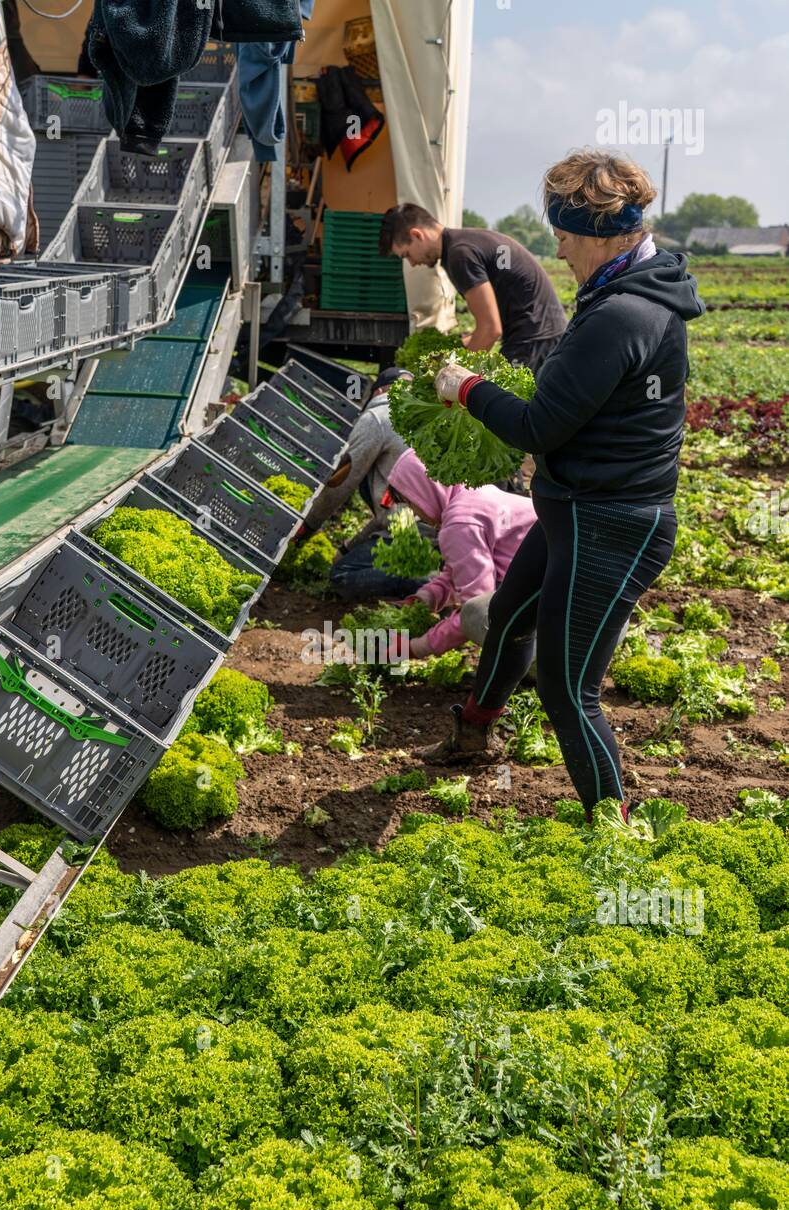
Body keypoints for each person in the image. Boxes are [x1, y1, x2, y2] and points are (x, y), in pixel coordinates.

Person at [420, 149, 705, 820]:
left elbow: (538, 426)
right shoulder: (624, 292)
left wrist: (465, 387)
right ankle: (470, 735)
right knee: (508, 622)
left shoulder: (620, 315)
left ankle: (614, 833)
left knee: (566, 688)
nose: (559, 249)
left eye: (566, 236)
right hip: (572, 510)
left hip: (609, 523)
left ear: (602, 234)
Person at [297, 366, 434, 601]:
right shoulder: (424, 418)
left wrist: (308, 524)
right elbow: (391, 511)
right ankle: (435, 571)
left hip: (413, 531)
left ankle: (425, 582)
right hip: (444, 528)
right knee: (348, 560)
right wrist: (348, 548)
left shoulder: (378, 417)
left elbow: (341, 482)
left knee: (342, 575)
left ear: (378, 390)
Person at [378, 203, 568, 373]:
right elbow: (486, 328)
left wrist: (457, 378)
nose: (411, 263)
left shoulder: (459, 255)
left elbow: (490, 329)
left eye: (406, 255)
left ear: (416, 235)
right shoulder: (460, 244)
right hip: (540, 334)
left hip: (534, 339)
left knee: (502, 407)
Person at [386, 449, 536, 660]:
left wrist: (416, 647)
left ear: (425, 489)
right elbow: (458, 570)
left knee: (480, 619)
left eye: (410, 502)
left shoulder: (460, 522)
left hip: (558, 603)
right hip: (568, 582)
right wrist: (428, 597)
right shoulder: (471, 496)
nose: (414, 512)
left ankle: (537, 663)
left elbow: (477, 607)